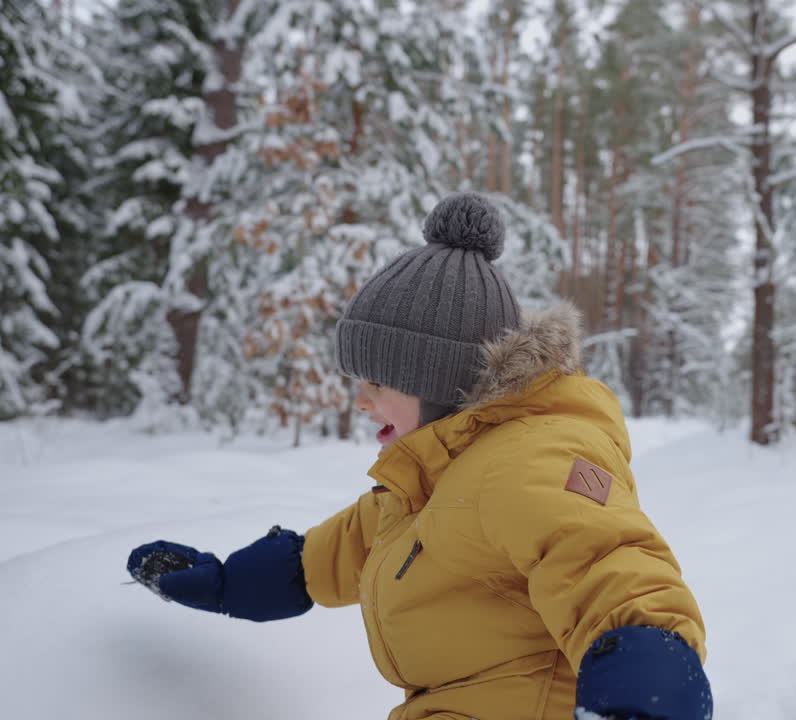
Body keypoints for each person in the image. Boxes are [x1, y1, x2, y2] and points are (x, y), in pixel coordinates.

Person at [127, 193, 712, 720]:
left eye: (377, 382)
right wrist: (229, 582)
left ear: (437, 380)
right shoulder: (438, 473)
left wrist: (644, 689)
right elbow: (344, 548)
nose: (360, 401)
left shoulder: (528, 460)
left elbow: (610, 567)